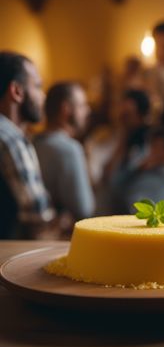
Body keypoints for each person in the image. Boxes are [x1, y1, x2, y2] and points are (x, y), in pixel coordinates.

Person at [0, 51, 53, 239]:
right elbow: (38, 218)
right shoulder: (10, 138)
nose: (43, 96)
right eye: (38, 86)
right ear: (17, 91)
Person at [34, 82, 94, 226]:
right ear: (66, 109)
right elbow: (84, 209)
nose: (88, 111)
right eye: (82, 105)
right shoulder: (69, 149)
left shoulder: (31, 143)